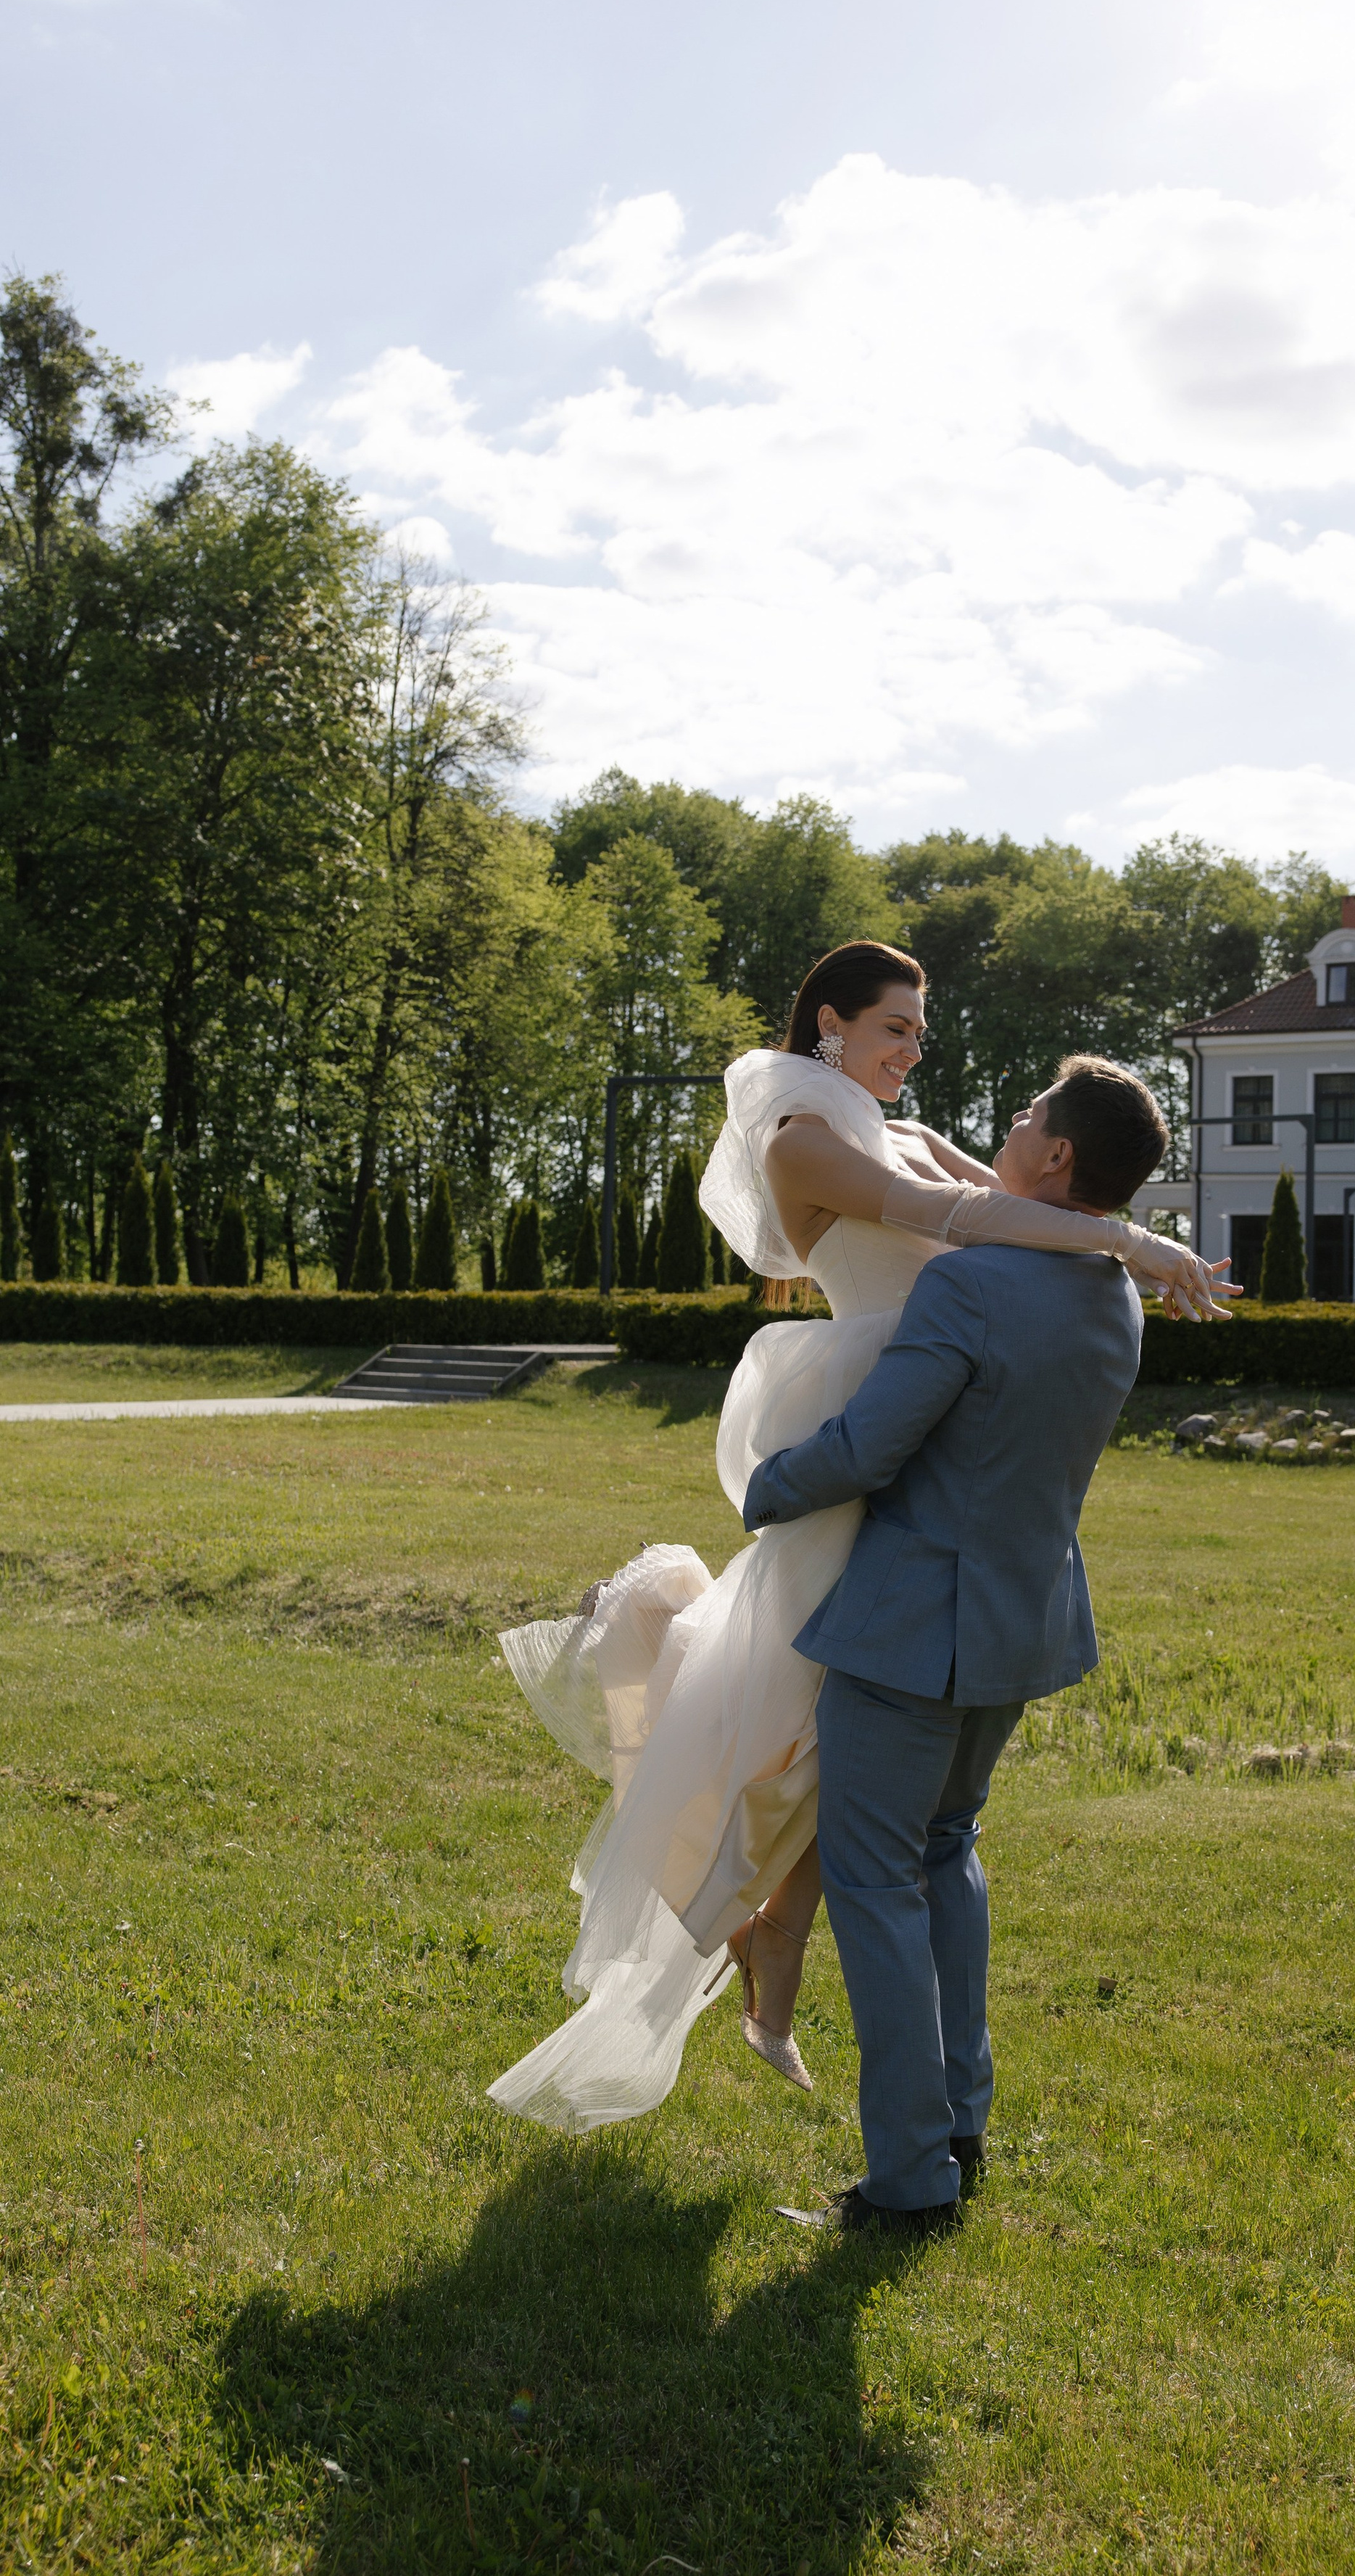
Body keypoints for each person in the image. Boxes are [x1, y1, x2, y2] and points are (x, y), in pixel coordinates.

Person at [489, 941, 1228, 2133]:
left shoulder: (896, 1124)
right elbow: (964, 1213)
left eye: (922, 1032)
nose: (913, 1050)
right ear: (828, 1023)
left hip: (932, 1415)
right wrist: (1135, 1244)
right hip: (864, 1408)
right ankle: (667, 1669)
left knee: (823, 1716)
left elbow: (1002, 1197)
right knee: (796, 1707)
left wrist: (1121, 1236)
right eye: (895, 1029)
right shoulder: (800, 1136)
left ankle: (776, 1933)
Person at [741, 1056, 1166, 2232]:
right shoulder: (1110, 1290)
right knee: (947, 1854)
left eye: (1030, 1115)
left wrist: (762, 1484)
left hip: (912, 1627)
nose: (1015, 1122)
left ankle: (910, 2179)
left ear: (1058, 1159)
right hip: (1024, 1625)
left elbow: (871, 1446)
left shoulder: (976, 1282)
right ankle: (961, 2126)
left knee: (874, 1884)